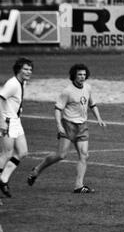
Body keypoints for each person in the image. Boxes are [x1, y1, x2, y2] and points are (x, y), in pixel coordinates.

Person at [27, 64, 106, 193]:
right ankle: (36, 170)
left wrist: (99, 118)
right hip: (68, 125)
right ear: (74, 75)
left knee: (84, 155)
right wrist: (59, 125)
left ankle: (78, 186)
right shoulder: (67, 91)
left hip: (82, 126)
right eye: (79, 74)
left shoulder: (88, 87)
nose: (82, 77)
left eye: (84, 74)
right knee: (61, 155)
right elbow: (58, 109)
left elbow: (92, 104)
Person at [0, 57, 33, 198]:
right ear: (18, 69)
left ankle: (3, 179)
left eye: (30, 69)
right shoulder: (12, 84)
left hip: (16, 121)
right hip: (7, 121)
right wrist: (1, 121)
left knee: (23, 152)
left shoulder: (22, 83)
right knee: (6, 153)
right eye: (25, 69)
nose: (29, 72)